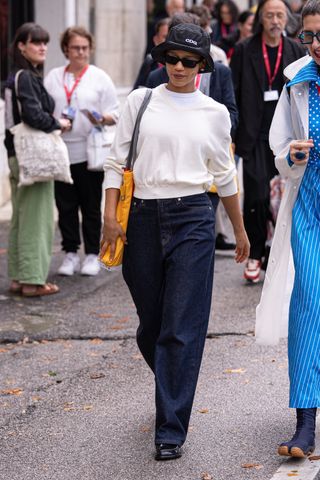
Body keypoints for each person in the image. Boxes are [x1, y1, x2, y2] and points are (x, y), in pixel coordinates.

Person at [101, 23, 249, 461]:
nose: (179, 67)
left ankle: (170, 429)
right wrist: (109, 218)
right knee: (153, 326)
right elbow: (115, 161)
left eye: (189, 61)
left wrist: (239, 230)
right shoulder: (140, 101)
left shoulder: (215, 113)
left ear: (203, 66)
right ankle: (172, 381)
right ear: (161, 59)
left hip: (194, 219)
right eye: (172, 58)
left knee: (182, 327)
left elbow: (224, 176)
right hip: (142, 216)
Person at [256, 0, 320, 459]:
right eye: (310, 36)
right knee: (307, 306)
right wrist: (291, 156)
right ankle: (305, 422)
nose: (315, 46)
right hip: (309, 207)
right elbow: (279, 148)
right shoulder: (297, 82)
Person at [230, 0, 306, 283]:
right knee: (258, 198)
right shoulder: (244, 50)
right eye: (269, 15)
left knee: (287, 198)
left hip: (289, 137)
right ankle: (255, 254)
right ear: (260, 18)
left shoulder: (297, 51)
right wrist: (234, 135)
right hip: (254, 135)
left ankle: (283, 256)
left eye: (279, 15)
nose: (275, 20)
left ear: (287, 19)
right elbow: (234, 93)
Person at [4, 23, 71, 297]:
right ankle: (33, 280)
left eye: (45, 43)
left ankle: (20, 278)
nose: (43, 47)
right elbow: (32, 115)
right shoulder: (27, 77)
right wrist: (58, 124)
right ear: (21, 46)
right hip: (32, 155)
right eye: (36, 43)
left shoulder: (16, 76)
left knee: (22, 217)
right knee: (38, 218)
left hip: (17, 154)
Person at [45, 26, 119, 276]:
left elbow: (117, 111)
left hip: (90, 153)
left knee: (89, 206)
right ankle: (69, 254)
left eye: (85, 48)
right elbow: (46, 110)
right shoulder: (54, 77)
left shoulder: (99, 77)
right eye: (75, 48)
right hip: (60, 152)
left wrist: (104, 118)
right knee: (65, 206)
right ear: (66, 49)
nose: (81, 52)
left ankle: (91, 254)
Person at [133, 18, 170, 90]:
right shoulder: (149, 62)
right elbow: (137, 90)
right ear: (156, 40)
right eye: (165, 37)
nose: (169, 42)